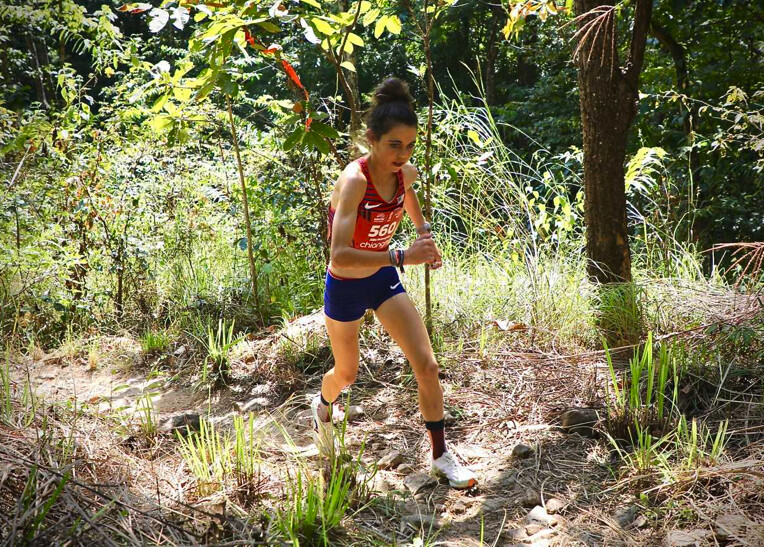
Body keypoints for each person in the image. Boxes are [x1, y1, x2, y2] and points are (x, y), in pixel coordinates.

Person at [310, 77, 477, 489]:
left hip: (382, 280)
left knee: (427, 365)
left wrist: (423, 234)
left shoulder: (405, 172)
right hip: (345, 285)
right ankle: (322, 406)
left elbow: (409, 193)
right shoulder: (355, 180)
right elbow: (339, 254)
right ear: (371, 139)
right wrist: (403, 256)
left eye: (410, 146)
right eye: (394, 145)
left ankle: (440, 456)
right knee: (346, 374)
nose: (402, 155)